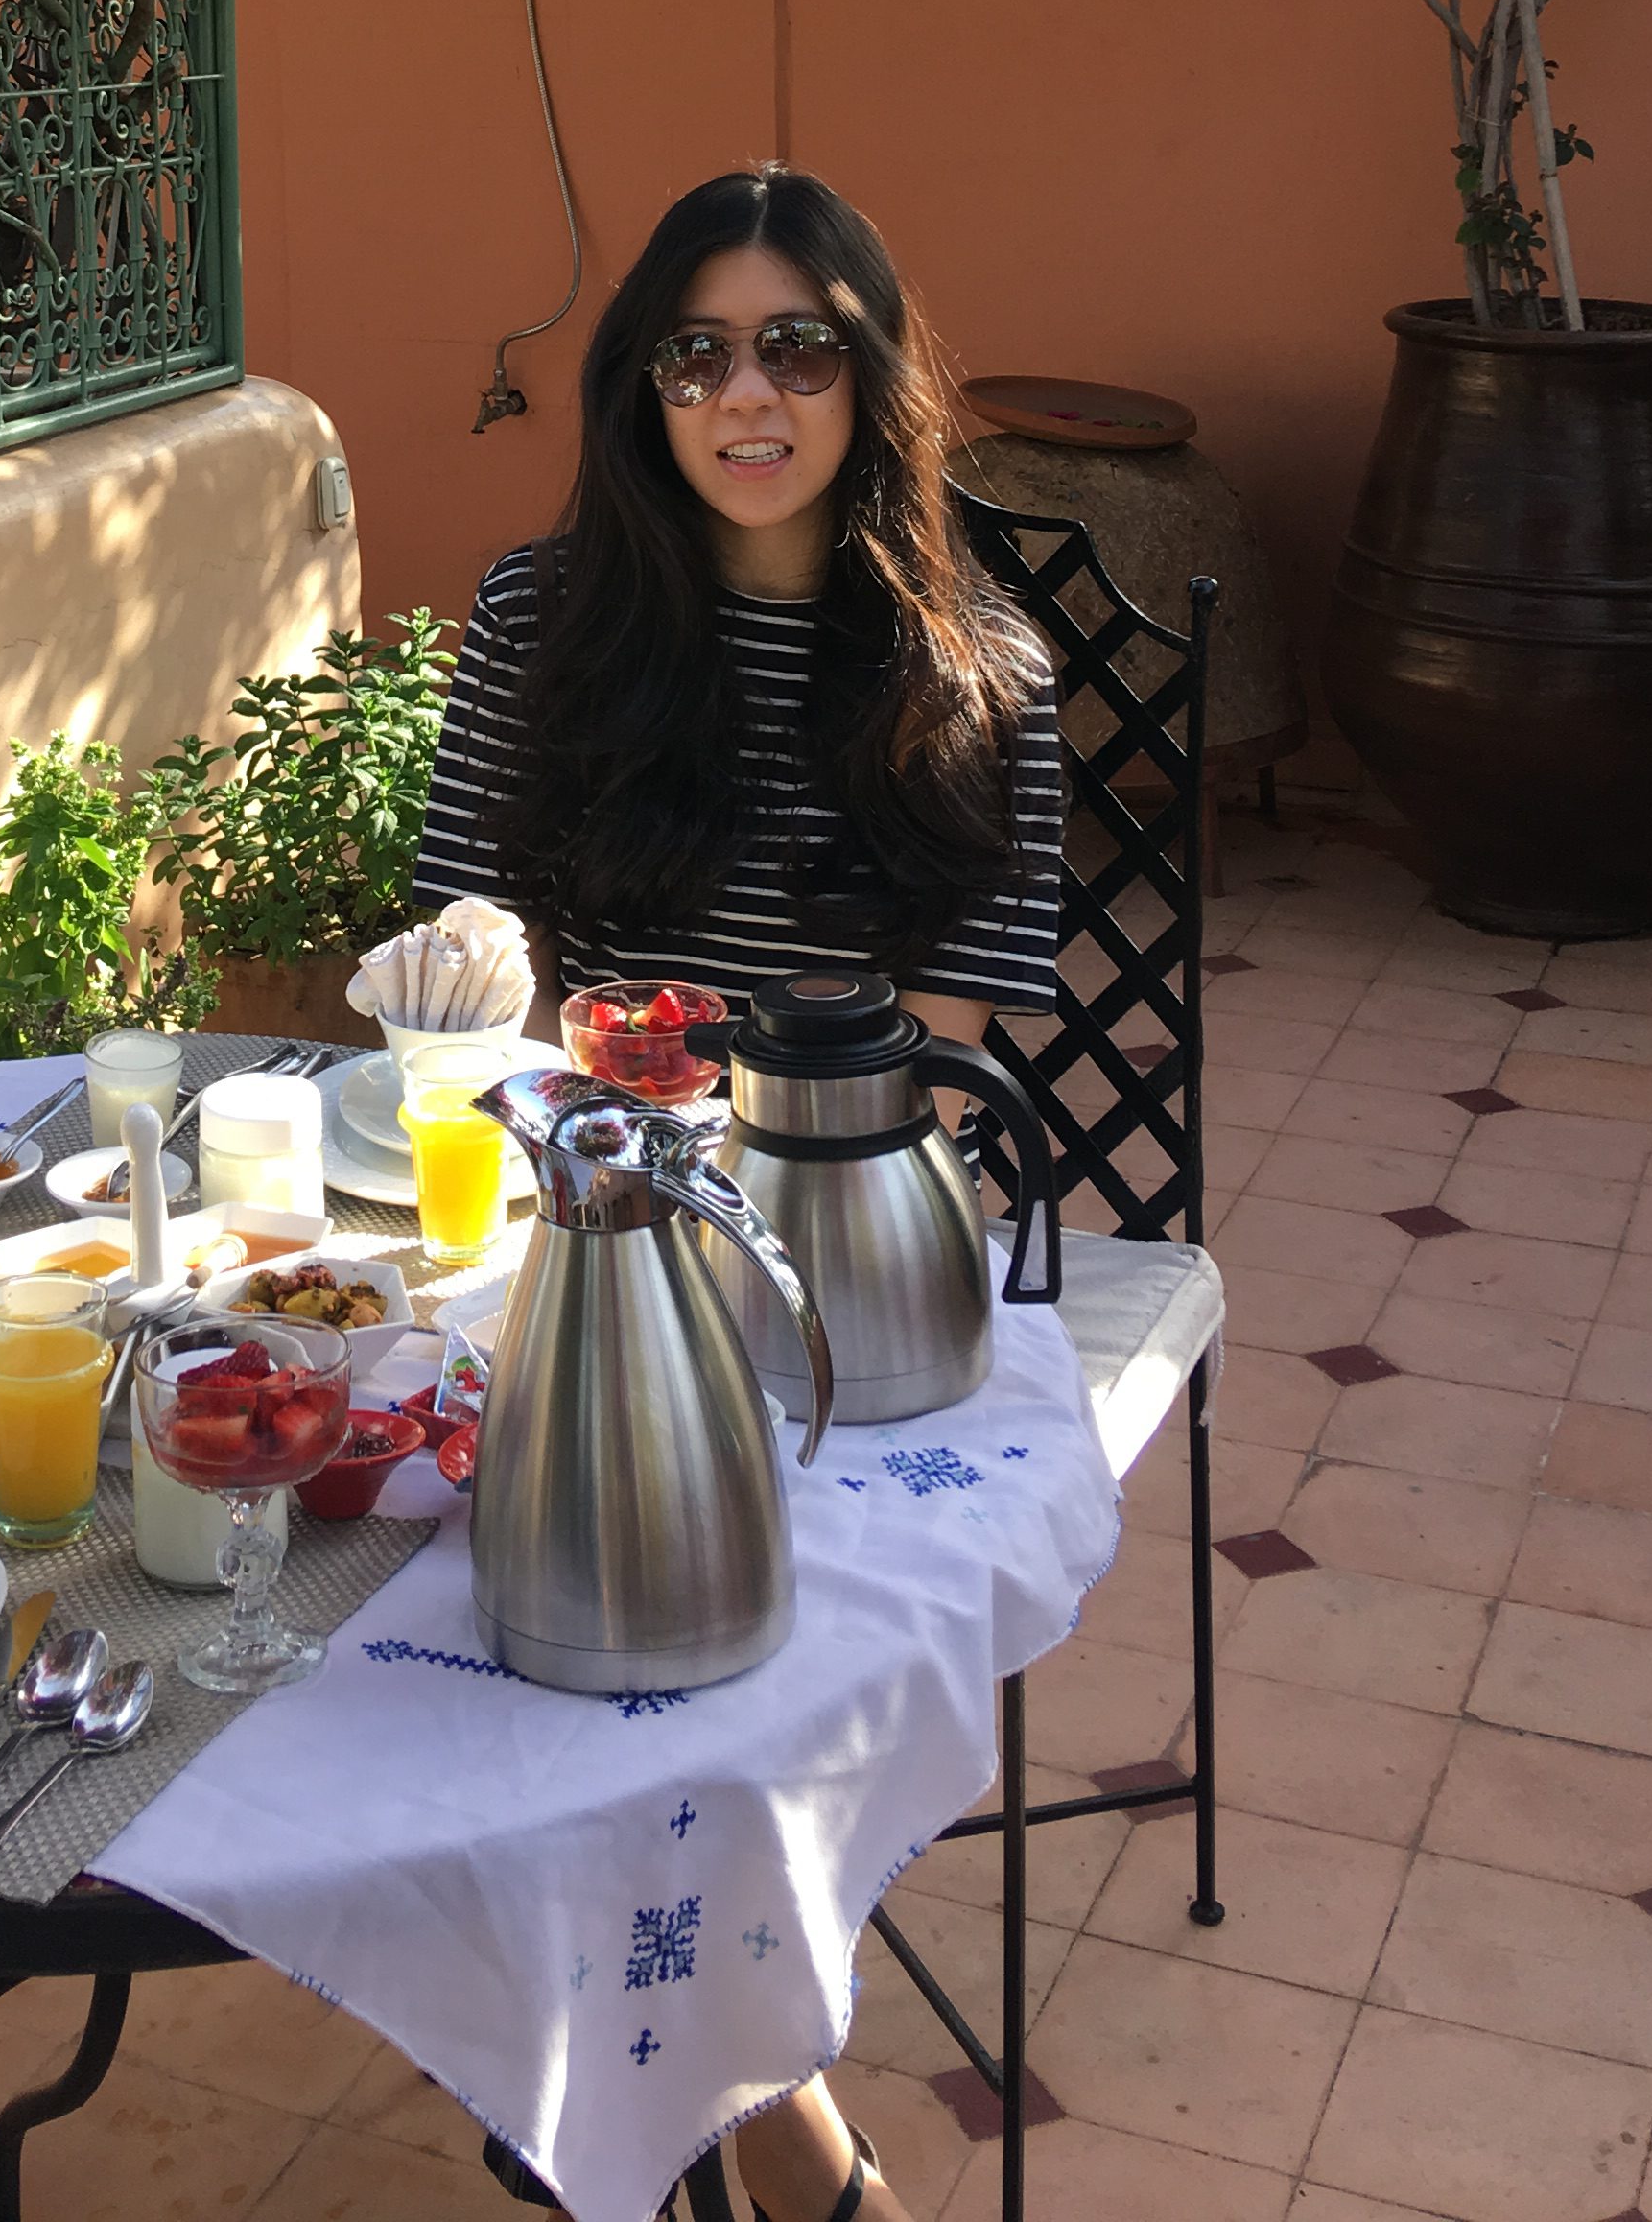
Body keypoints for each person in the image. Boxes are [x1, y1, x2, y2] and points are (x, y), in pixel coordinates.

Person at [414, 162, 1064, 2222]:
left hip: (846, 1296)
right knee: (481, 1622)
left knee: (648, 1659)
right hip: (573, 1231)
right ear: (644, 388)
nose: (746, 393)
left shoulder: (981, 671)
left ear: (872, 375)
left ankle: (644, 2119)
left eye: (798, 344)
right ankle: (780, 2159)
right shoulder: (549, 623)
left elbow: (942, 1068)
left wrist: (720, 1196)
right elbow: (462, 954)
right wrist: (585, 1155)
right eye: (696, 350)